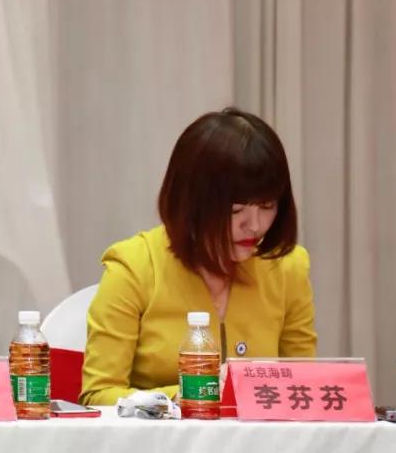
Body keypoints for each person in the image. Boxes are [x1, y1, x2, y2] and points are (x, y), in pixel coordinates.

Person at [80, 107, 317, 406]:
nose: (255, 225)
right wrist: (181, 397)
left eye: (267, 206)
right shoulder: (134, 267)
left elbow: (304, 387)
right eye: (236, 210)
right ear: (190, 204)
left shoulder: (288, 267)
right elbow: (98, 395)